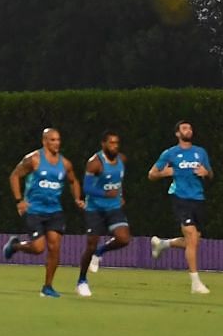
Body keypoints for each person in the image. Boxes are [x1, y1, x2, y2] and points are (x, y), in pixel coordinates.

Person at [1, 127, 85, 298]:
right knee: (39, 248)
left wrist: (77, 198)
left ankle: (48, 287)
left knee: (54, 247)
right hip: (34, 210)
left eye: (58, 140)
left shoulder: (65, 164)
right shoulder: (34, 160)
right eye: (52, 140)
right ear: (44, 141)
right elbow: (14, 176)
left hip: (55, 211)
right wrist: (19, 201)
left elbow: (73, 180)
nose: (56, 143)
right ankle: (15, 246)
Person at [146, 120, 213, 295]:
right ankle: (195, 282)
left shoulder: (200, 152)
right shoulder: (170, 153)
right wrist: (164, 173)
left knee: (194, 241)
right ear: (177, 133)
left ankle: (163, 244)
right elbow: (151, 174)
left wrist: (206, 173)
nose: (188, 130)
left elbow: (210, 173)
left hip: (198, 199)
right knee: (191, 235)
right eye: (184, 128)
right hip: (180, 199)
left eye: (190, 127)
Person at [75, 130, 131, 298]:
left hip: (113, 207)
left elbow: (118, 181)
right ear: (103, 144)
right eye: (111, 143)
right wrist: (106, 194)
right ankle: (82, 281)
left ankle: (100, 252)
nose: (114, 146)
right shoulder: (95, 163)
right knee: (90, 245)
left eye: (116, 143)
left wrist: (120, 195)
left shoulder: (122, 159)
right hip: (95, 209)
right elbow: (87, 188)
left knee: (124, 239)